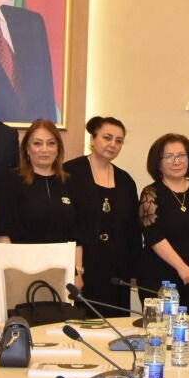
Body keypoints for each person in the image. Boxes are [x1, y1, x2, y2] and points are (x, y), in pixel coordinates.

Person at [64, 116, 141, 313]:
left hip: (117, 267)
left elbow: (133, 229)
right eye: (107, 138)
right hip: (84, 263)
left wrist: (134, 271)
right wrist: (75, 269)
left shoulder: (125, 180)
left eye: (118, 141)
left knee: (116, 321)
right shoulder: (70, 172)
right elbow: (67, 224)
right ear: (93, 139)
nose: (113, 144)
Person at [140, 134, 189, 314]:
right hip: (160, 278)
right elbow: (153, 235)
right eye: (169, 156)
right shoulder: (151, 193)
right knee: (160, 327)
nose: (177, 161)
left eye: (182, 155)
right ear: (158, 162)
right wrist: (182, 268)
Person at [0, 121, 80, 265]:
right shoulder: (11, 181)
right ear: (27, 149)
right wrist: (12, 268)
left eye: (51, 143)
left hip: (62, 267)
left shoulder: (70, 182)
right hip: (22, 266)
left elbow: (77, 235)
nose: (44, 149)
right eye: (37, 143)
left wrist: (78, 270)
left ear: (58, 148)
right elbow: (3, 232)